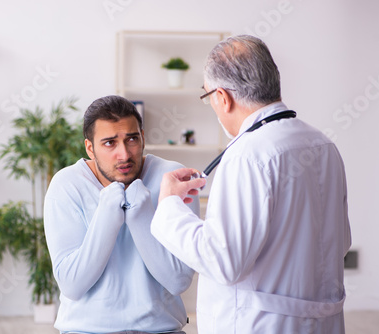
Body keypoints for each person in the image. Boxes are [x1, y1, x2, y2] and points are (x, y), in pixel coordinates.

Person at [150, 35, 352, 334]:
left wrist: (169, 206)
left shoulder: (247, 154)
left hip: (262, 324)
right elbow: (340, 242)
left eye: (208, 97)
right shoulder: (322, 144)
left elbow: (224, 262)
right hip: (322, 321)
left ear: (222, 97)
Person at [44, 95, 198, 334]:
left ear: (143, 137)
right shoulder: (66, 185)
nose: (124, 155)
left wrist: (141, 215)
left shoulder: (173, 179)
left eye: (132, 139)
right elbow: (72, 285)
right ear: (90, 148)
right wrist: (107, 215)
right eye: (109, 143)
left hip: (161, 330)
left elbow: (178, 281)